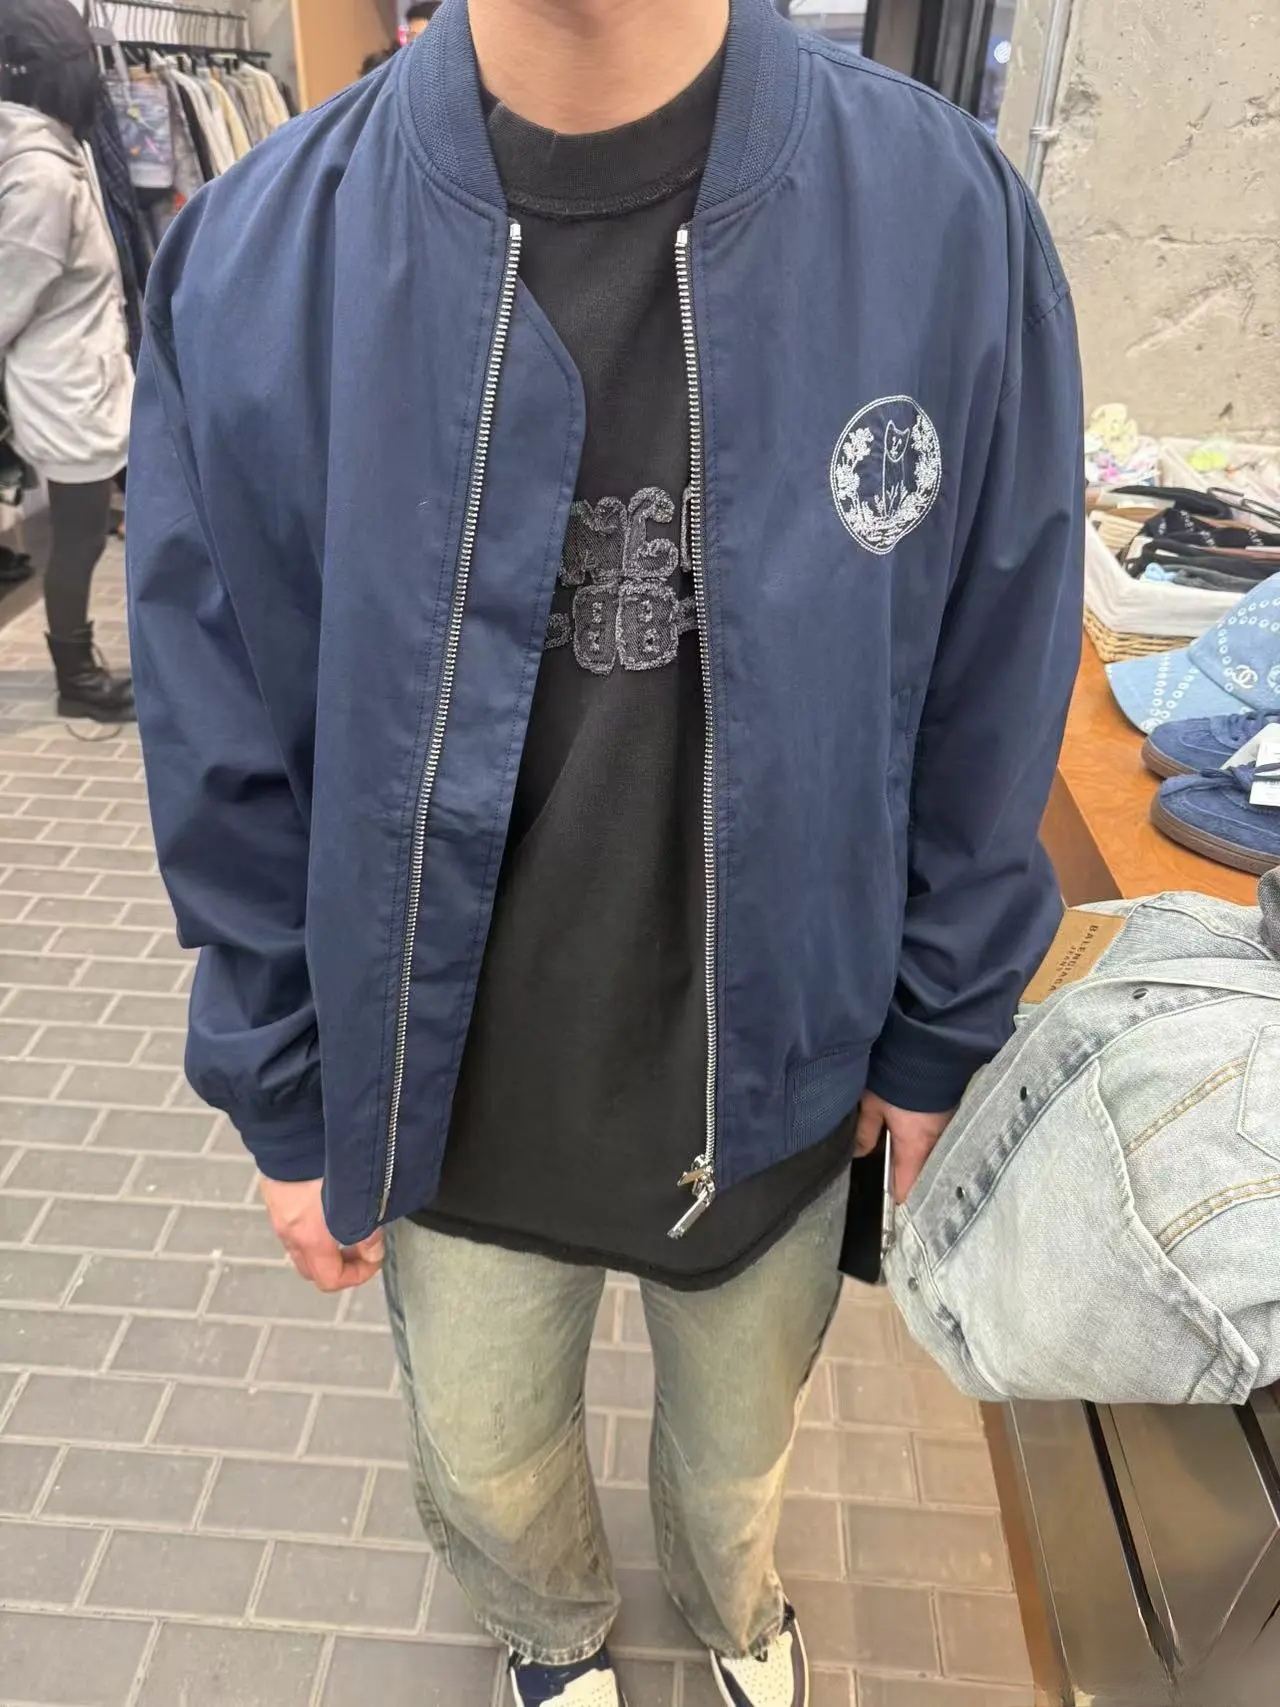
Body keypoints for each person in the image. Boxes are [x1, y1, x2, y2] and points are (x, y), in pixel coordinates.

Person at [126, 0, 1084, 1701]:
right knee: (487, 1458)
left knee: (739, 1456)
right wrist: (281, 1084)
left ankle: (734, 1606)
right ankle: (552, 1629)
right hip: (449, 1106)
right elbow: (223, 743)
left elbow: (992, 666)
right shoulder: (260, 262)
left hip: (783, 1082)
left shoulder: (946, 224)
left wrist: (942, 1019)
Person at [0, 0, 134, 722]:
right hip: (66, 391)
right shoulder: (40, 175)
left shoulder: (53, 151)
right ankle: (76, 680)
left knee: (96, 529)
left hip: (87, 377)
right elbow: (9, 294)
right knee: (79, 538)